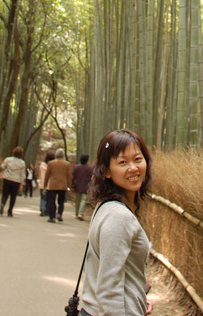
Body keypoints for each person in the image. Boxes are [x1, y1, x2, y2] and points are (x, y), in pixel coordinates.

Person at [80, 129, 154, 316]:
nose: (133, 168)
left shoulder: (106, 207)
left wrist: (137, 299)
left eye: (138, 159)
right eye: (122, 162)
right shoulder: (118, 217)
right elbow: (109, 289)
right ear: (106, 171)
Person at [43, 148, 72, 223]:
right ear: (63, 155)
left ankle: (52, 217)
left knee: (51, 201)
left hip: (53, 185)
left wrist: (45, 185)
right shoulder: (67, 164)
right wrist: (69, 186)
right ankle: (59, 213)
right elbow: (69, 176)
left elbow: (47, 175)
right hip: (63, 185)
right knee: (61, 201)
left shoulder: (51, 163)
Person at [0, 146, 26, 217]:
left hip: (7, 179)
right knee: (13, 197)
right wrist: (22, 184)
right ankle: (10, 211)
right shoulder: (22, 163)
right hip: (16, 181)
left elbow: (2, 166)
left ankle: (2, 204)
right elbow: (22, 174)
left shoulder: (8, 159)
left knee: (5, 194)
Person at [72, 153, 93, 220]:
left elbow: (73, 177)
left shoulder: (76, 167)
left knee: (77, 200)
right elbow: (91, 178)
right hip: (86, 187)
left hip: (78, 186)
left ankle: (77, 213)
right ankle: (80, 214)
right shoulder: (90, 168)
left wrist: (72, 184)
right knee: (83, 200)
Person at [37, 149, 55, 216]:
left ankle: (42, 208)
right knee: (48, 198)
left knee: (43, 197)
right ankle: (47, 211)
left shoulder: (42, 165)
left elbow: (39, 174)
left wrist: (38, 180)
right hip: (50, 184)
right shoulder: (53, 165)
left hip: (42, 183)